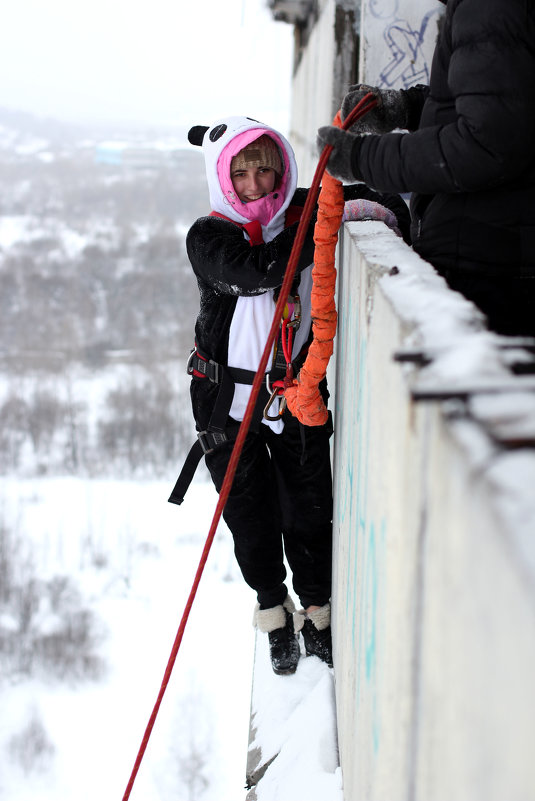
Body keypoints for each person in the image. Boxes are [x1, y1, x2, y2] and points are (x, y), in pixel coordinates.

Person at [172, 115, 409, 675]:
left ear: (281, 169)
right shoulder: (208, 236)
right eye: (241, 173)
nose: (255, 183)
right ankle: (272, 610)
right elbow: (257, 272)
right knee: (250, 519)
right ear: (223, 179)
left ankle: (318, 613)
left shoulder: (300, 210)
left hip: (295, 394)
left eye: (265, 168)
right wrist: (317, 224)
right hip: (225, 405)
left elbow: (375, 199)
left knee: (309, 511)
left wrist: (384, 214)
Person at [317, 0, 535, 337]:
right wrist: (404, 108)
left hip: (486, 270)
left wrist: (361, 158)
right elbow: (501, 105)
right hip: (497, 257)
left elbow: (487, 143)